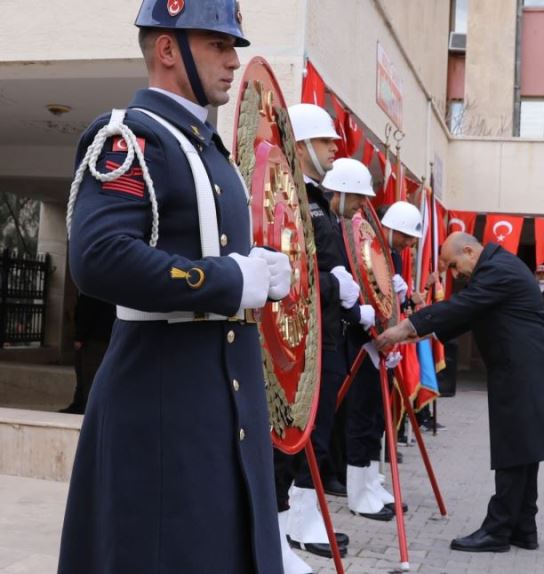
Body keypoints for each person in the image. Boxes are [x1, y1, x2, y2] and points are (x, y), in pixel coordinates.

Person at [59, 2, 293, 572]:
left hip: (219, 406)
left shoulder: (207, 147)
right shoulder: (132, 137)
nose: (233, 60)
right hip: (161, 409)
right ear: (168, 50)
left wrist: (258, 267)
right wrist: (230, 280)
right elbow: (98, 257)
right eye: (218, 44)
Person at [376, 233, 544, 553]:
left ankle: (497, 530)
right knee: (525, 451)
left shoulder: (498, 270)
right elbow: (470, 314)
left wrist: (405, 328)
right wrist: (416, 333)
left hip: (523, 372)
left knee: (512, 451)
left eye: (453, 266)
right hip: (524, 370)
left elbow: (464, 306)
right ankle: (523, 527)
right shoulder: (496, 266)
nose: (455, 275)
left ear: (469, 251)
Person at [280, 153, 377, 561]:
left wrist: (359, 310)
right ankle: (293, 524)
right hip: (306, 338)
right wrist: (341, 294)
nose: (358, 209)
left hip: (331, 334)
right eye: (356, 200)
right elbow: (293, 270)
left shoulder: (322, 208)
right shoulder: (302, 201)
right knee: (307, 436)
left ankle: (305, 520)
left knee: (320, 434)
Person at [343, 201, 416, 521]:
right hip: (359, 342)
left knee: (374, 420)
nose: (408, 244)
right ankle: (358, 493)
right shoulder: (362, 246)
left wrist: (393, 333)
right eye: (405, 237)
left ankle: (371, 482)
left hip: (382, 346)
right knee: (360, 420)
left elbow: (388, 302)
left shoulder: (393, 256)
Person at [60, 293, 116, 414]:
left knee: (87, 375)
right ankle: (80, 404)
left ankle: (87, 407)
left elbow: (85, 314)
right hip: (105, 338)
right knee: (88, 375)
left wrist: (79, 336)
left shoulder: (91, 292)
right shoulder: (110, 291)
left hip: (93, 340)